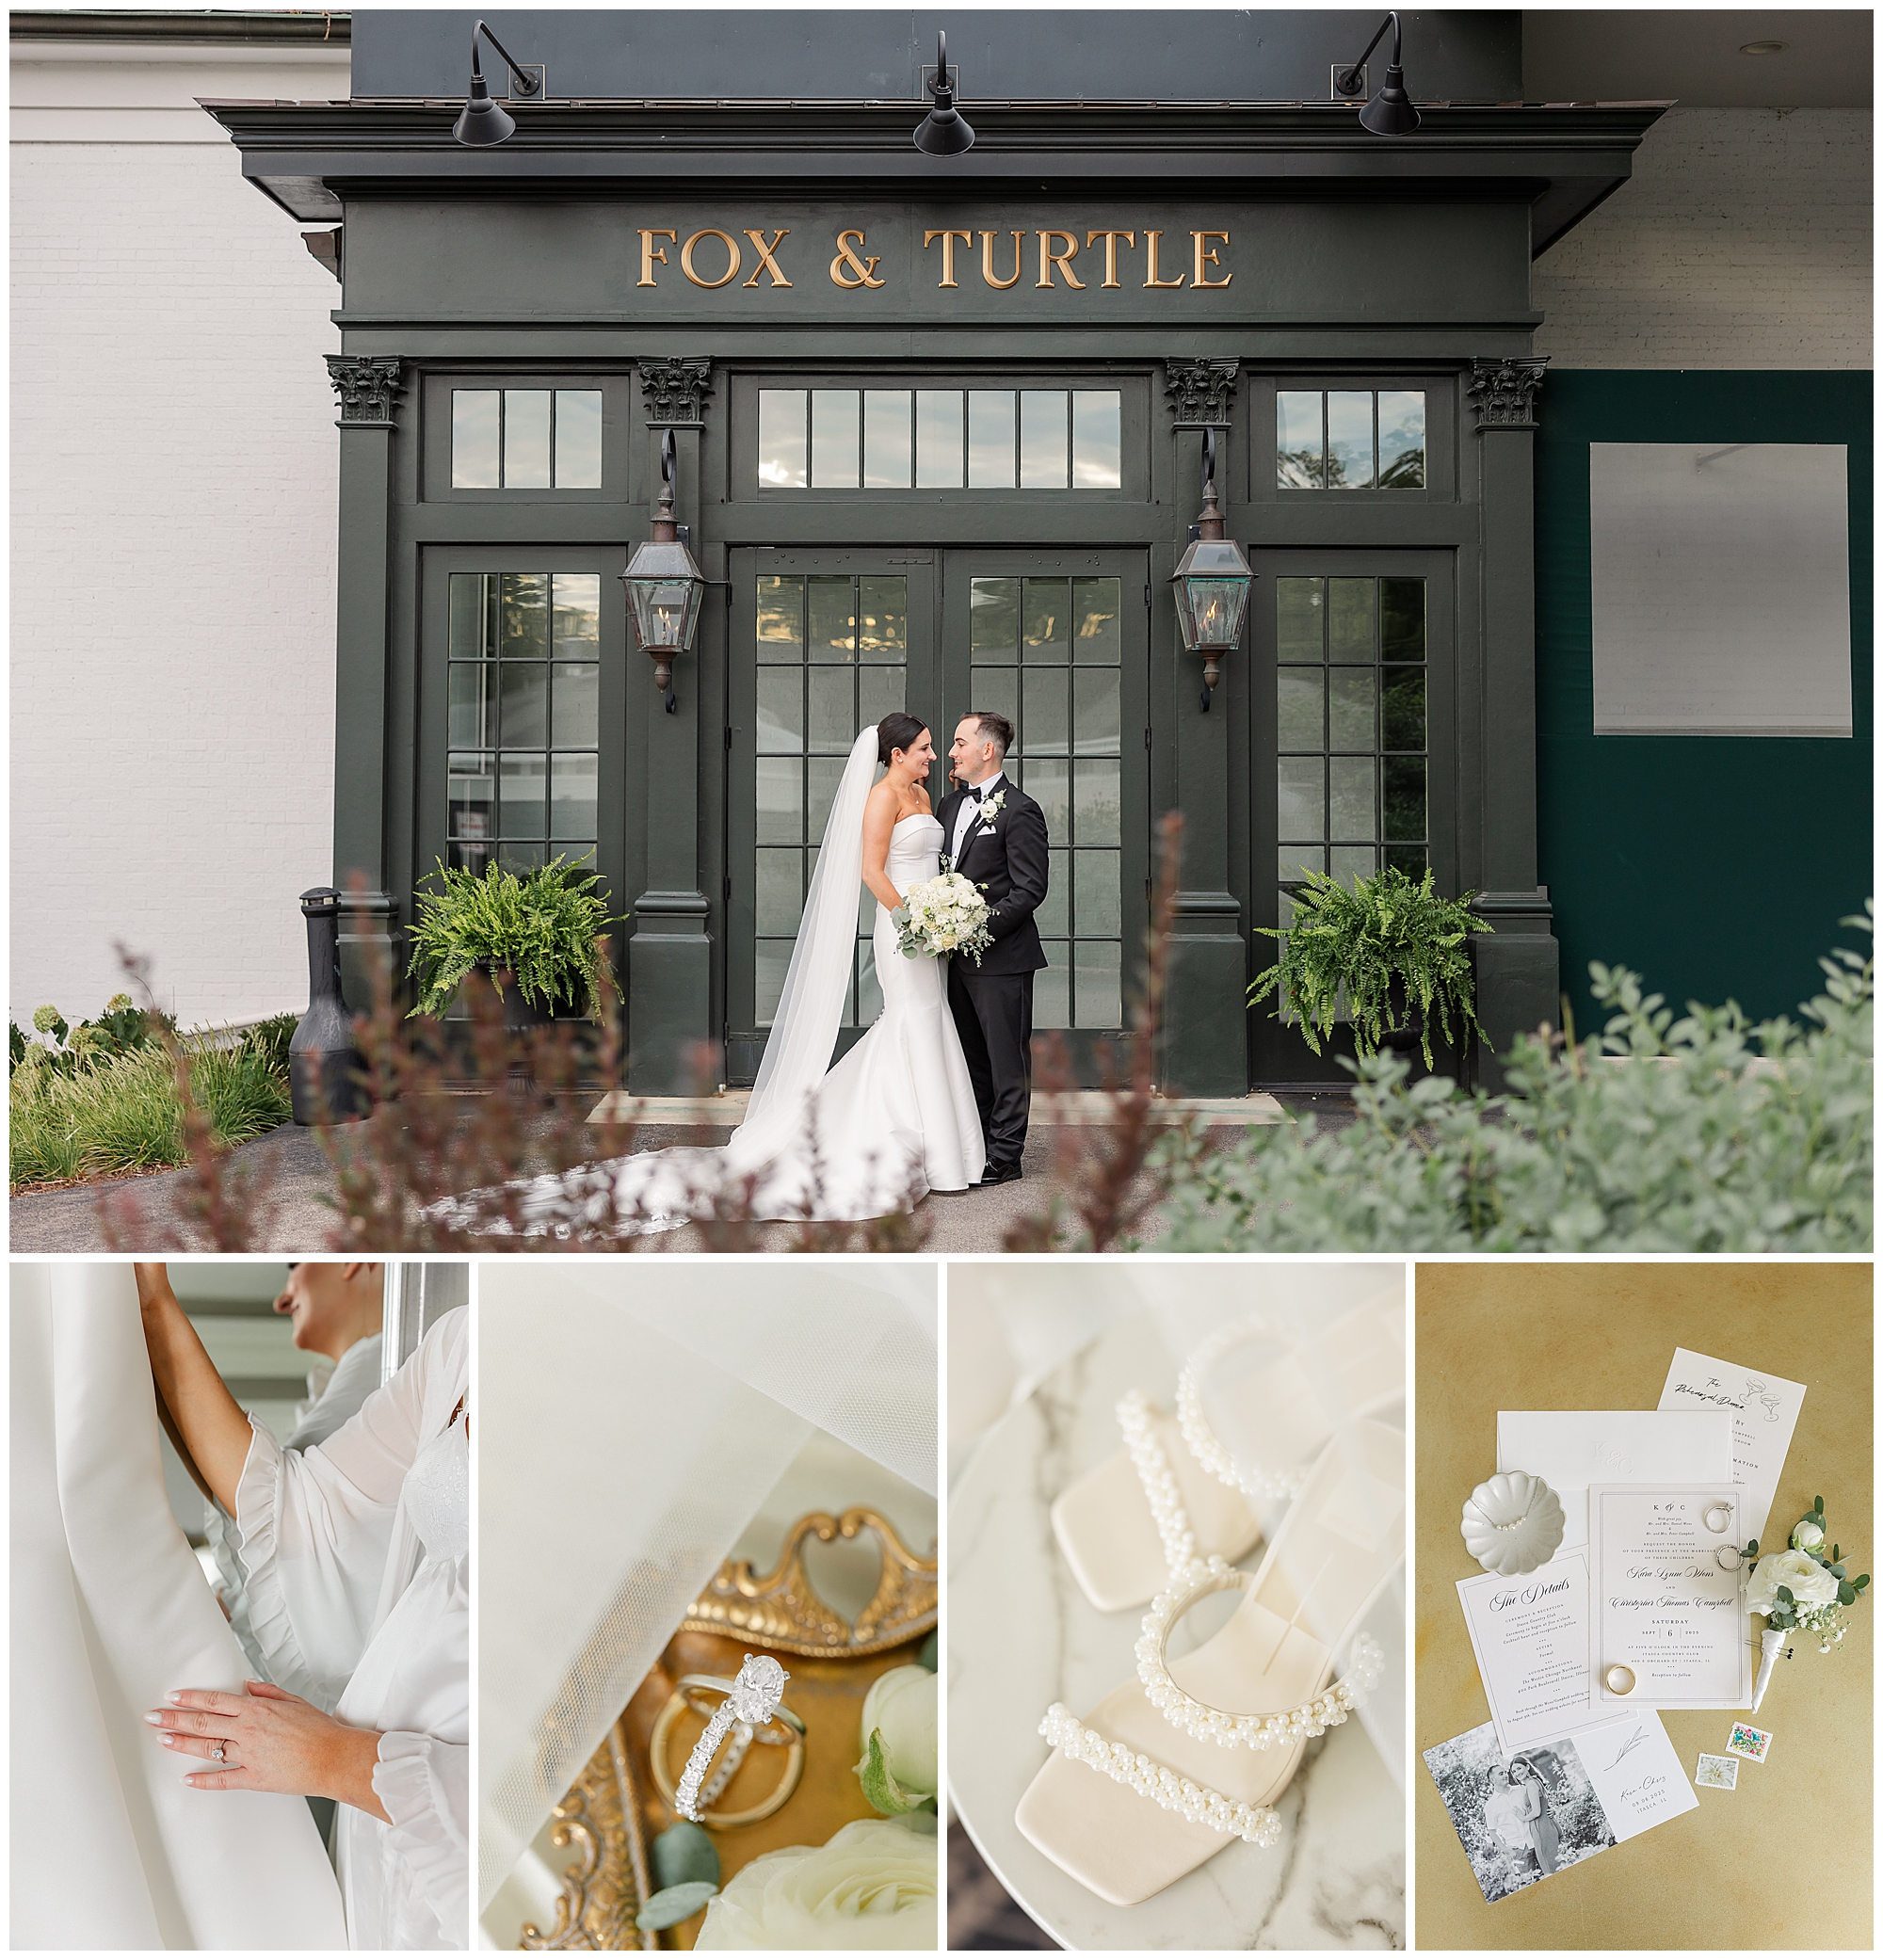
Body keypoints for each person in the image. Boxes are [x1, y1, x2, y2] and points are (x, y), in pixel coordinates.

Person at [490, 713, 990, 1228]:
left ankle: (942, 1148)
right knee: (909, 1017)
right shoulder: (882, 797)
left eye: (934, 747)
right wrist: (912, 919)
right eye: (925, 748)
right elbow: (871, 870)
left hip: (931, 929)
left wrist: (943, 912)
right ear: (897, 754)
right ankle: (910, 1140)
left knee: (930, 1017)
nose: (934, 756)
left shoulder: (923, 796)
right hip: (903, 928)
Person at [134, 1263, 467, 1950]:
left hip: (450, 1812)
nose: (282, 1294)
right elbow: (299, 1513)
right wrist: (152, 1304)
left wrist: (332, 1757)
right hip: (379, 1824)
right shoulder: (461, 1346)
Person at [206, 1264, 385, 1689]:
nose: (281, 1300)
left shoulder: (381, 1371)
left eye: (293, 1265)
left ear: (351, 1259)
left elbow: (267, 1505)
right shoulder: (356, 1380)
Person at [935, 711, 1050, 1183]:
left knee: (1006, 1062)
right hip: (952, 960)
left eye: (959, 742)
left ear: (987, 749)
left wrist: (976, 928)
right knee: (970, 1059)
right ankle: (977, 1145)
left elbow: (1029, 889)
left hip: (1002, 958)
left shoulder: (1021, 810)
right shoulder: (947, 806)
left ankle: (1005, 1156)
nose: (951, 752)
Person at [1507, 1756, 1560, 1874]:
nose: (1517, 1773)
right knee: (1556, 1864)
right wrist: (1552, 1809)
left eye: (1519, 1768)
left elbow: (1536, 1812)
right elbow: (1544, 1803)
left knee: (1550, 1868)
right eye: (1514, 1771)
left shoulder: (1531, 1784)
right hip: (1546, 1826)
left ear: (1527, 1767)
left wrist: (1523, 1818)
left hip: (1542, 1830)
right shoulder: (1535, 1781)